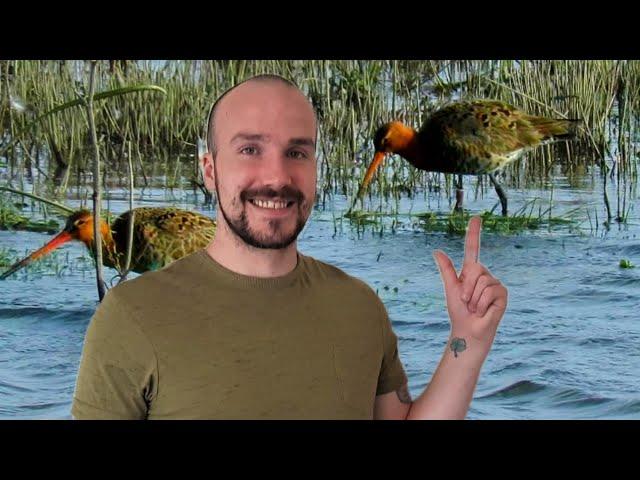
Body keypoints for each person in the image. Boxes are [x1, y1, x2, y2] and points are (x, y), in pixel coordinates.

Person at [71, 74, 508, 420]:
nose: (276, 177)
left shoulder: (359, 306)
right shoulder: (129, 314)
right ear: (209, 169)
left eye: (297, 153)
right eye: (249, 149)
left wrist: (467, 341)